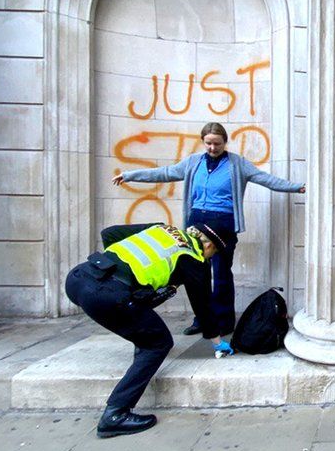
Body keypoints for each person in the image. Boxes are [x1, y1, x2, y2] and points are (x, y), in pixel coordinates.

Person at [112, 122, 305, 336]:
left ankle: (223, 322)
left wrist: (297, 187)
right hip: (195, 223)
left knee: (221, 273)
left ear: (225, 142)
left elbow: (266, 179)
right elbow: (165, 173)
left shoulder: (237, 164)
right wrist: (130, 175)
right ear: (203, 141)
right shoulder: (193, 162)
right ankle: (202, 320)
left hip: (222, 225)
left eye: (217, 143)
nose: (213, 148)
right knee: (197, 277)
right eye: (209, 143)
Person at [65, 220, 236, 438]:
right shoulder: (194, 259)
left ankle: (139, 349)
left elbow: (109, 232)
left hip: (79, 278)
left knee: (139, 316)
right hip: (105, 295)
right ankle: (115, 414)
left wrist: (120, 271)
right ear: (210, 246)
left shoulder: (161, 228)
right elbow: (202, 307)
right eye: (214, 255)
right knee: (158, 343)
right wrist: (217, 342)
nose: (210, 259)